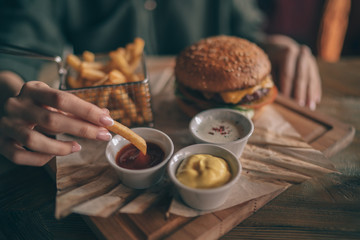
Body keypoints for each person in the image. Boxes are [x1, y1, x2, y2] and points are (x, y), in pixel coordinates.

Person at [0, 0, 321, 166]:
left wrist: (273, 46)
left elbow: (245, 35)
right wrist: (9, 94)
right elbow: (14, 48)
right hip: (96, 126)